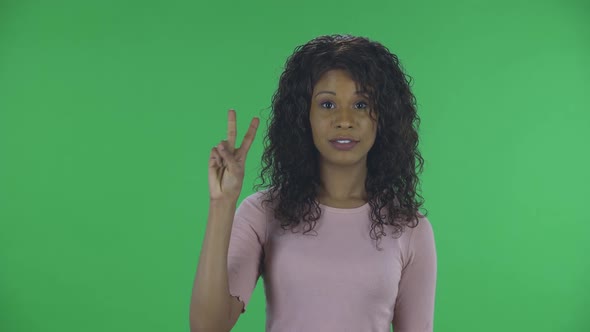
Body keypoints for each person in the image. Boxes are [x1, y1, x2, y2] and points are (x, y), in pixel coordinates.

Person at [190, 34, 437, 332]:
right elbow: (207, 327)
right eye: (328, 104)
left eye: (361, 104)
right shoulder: (263, 212)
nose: (344, 120)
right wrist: (222, 204)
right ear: (302, 117)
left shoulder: (410, 228)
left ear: (383, 117)